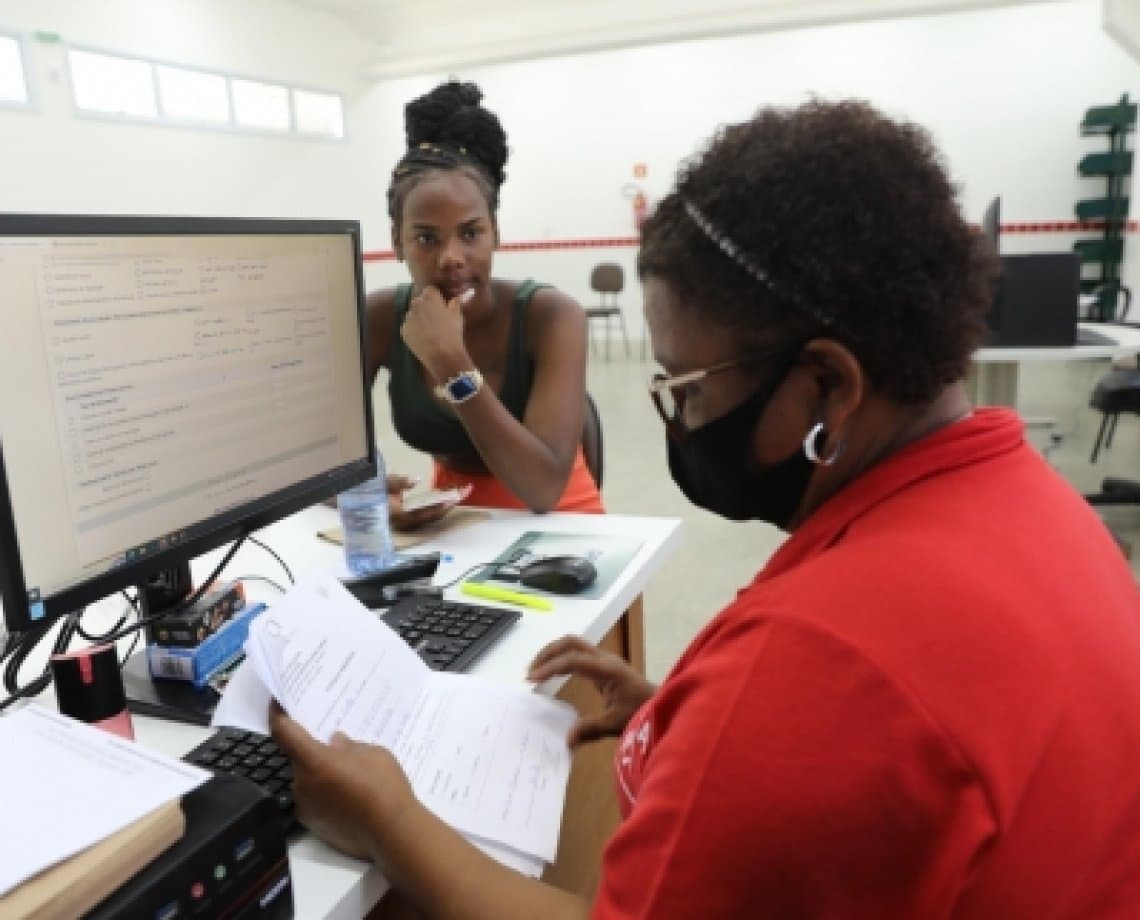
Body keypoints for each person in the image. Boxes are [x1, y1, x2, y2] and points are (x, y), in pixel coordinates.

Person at [271, 100, 1140, 916]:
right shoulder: (1036, 506)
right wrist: (672, 709)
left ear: (830, 385)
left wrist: (386, 813)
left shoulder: (819, 656)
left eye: (685, 389)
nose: (677, 421)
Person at [366, 80, 603, 527]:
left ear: (496, 232)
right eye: (425, 238)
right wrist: (363, 496)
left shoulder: (551, 316)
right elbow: (317, 461)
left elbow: (542, 488)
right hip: (453, 524)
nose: (452, 257)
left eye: (471, 233)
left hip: (564, 524)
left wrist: (451, 363)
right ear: (397, 242)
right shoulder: (379, 319)